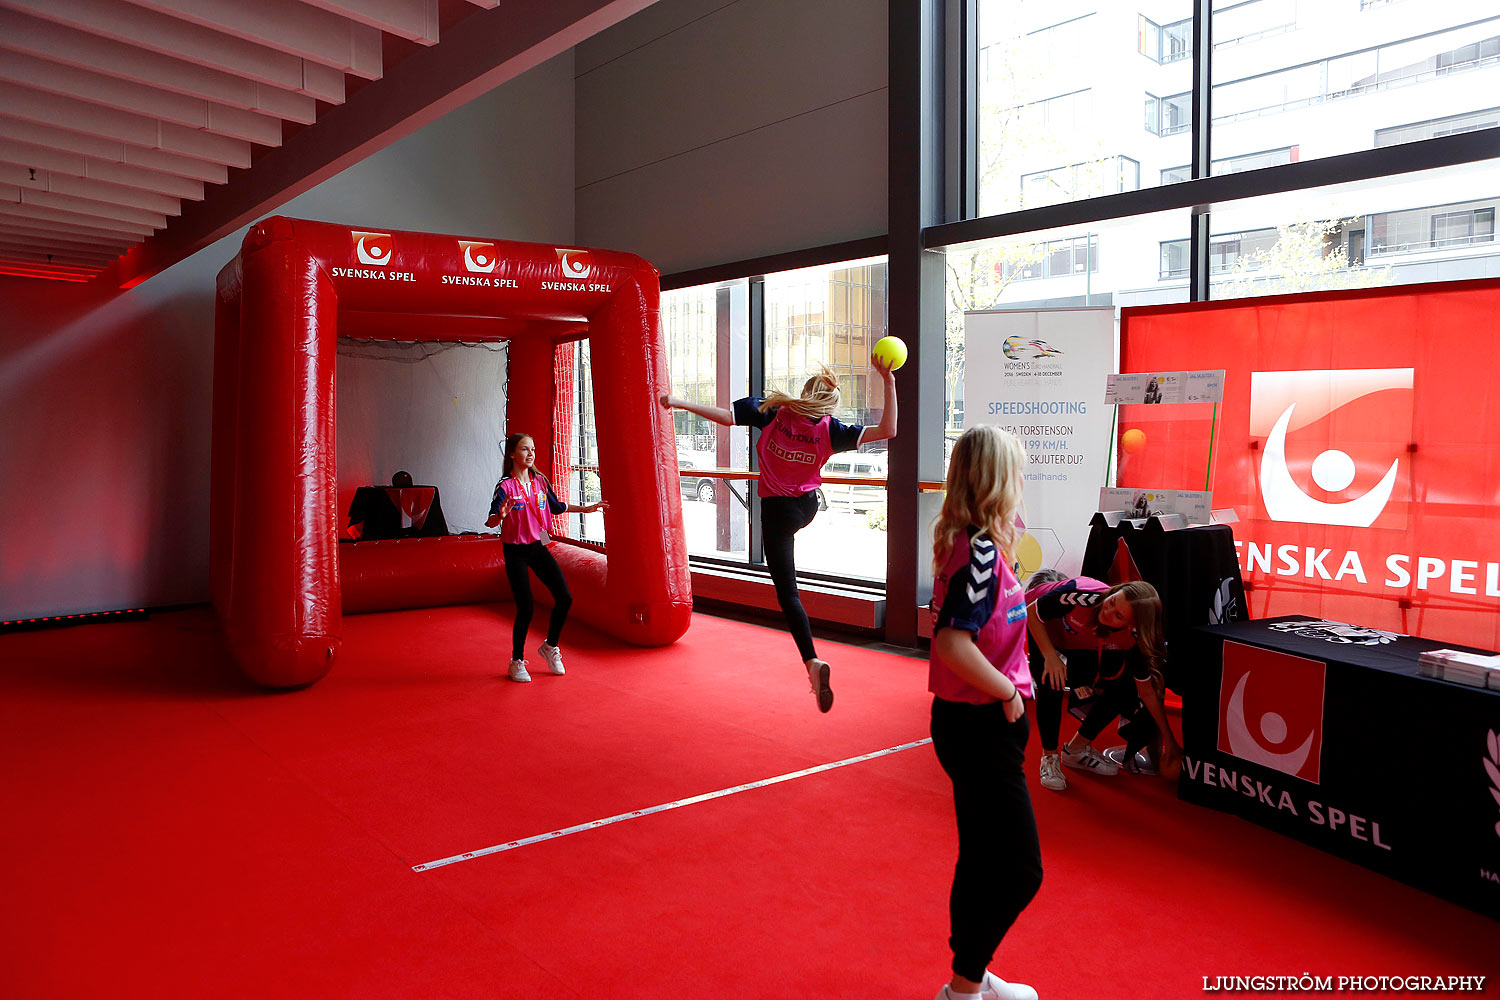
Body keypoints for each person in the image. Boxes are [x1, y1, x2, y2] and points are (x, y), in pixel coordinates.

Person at [659, 355, 897, 712]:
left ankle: (811, 661)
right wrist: (888, 381)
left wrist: (678, 402)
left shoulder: (772, 412)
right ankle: (812, 665)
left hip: (778, 511)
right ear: (828, 404)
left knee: (789, 595)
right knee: (791, 573)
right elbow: (888, 430)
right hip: (808, 505)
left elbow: (726, 417)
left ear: (804, 393)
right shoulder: (831, 429)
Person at [927, 425, 1041, 1000]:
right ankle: (966, 986)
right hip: (980, 725)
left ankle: (969, 979)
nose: (1024, 484)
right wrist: (1008, 692)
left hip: (971, 724)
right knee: (1021, 868)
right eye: (1017, 472)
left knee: (981, 855)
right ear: (998, 480)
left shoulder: (970, 543)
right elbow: (953, 644)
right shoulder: (977, 551)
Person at [1025, 575, 1182, 791]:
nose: (1107, 611)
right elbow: (1032, 611)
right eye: (1112, 601)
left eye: (1118, 615)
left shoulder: (1135, 640)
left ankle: (1076, 750)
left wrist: (1169, 738)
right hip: (1041, 626)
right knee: (1052, 679)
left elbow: (1146, 692)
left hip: (1083, 639)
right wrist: (1050, 656)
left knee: (1125, 687)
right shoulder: (1081, 596)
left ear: (1132, 625)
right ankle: (1049, 758)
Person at [486, 432, 607, 683]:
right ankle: (516, 661)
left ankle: (550, 647)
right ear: (512, 454)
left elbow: (556, 506)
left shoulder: (540, 481)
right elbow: (490, 521)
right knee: (526, 607)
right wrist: (502, 515)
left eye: (532, 449)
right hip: (515, 551)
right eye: (524, 449)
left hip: (538, 546)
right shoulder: (505, 486)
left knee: (565, 597)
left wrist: (587, 508)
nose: (530, 454)